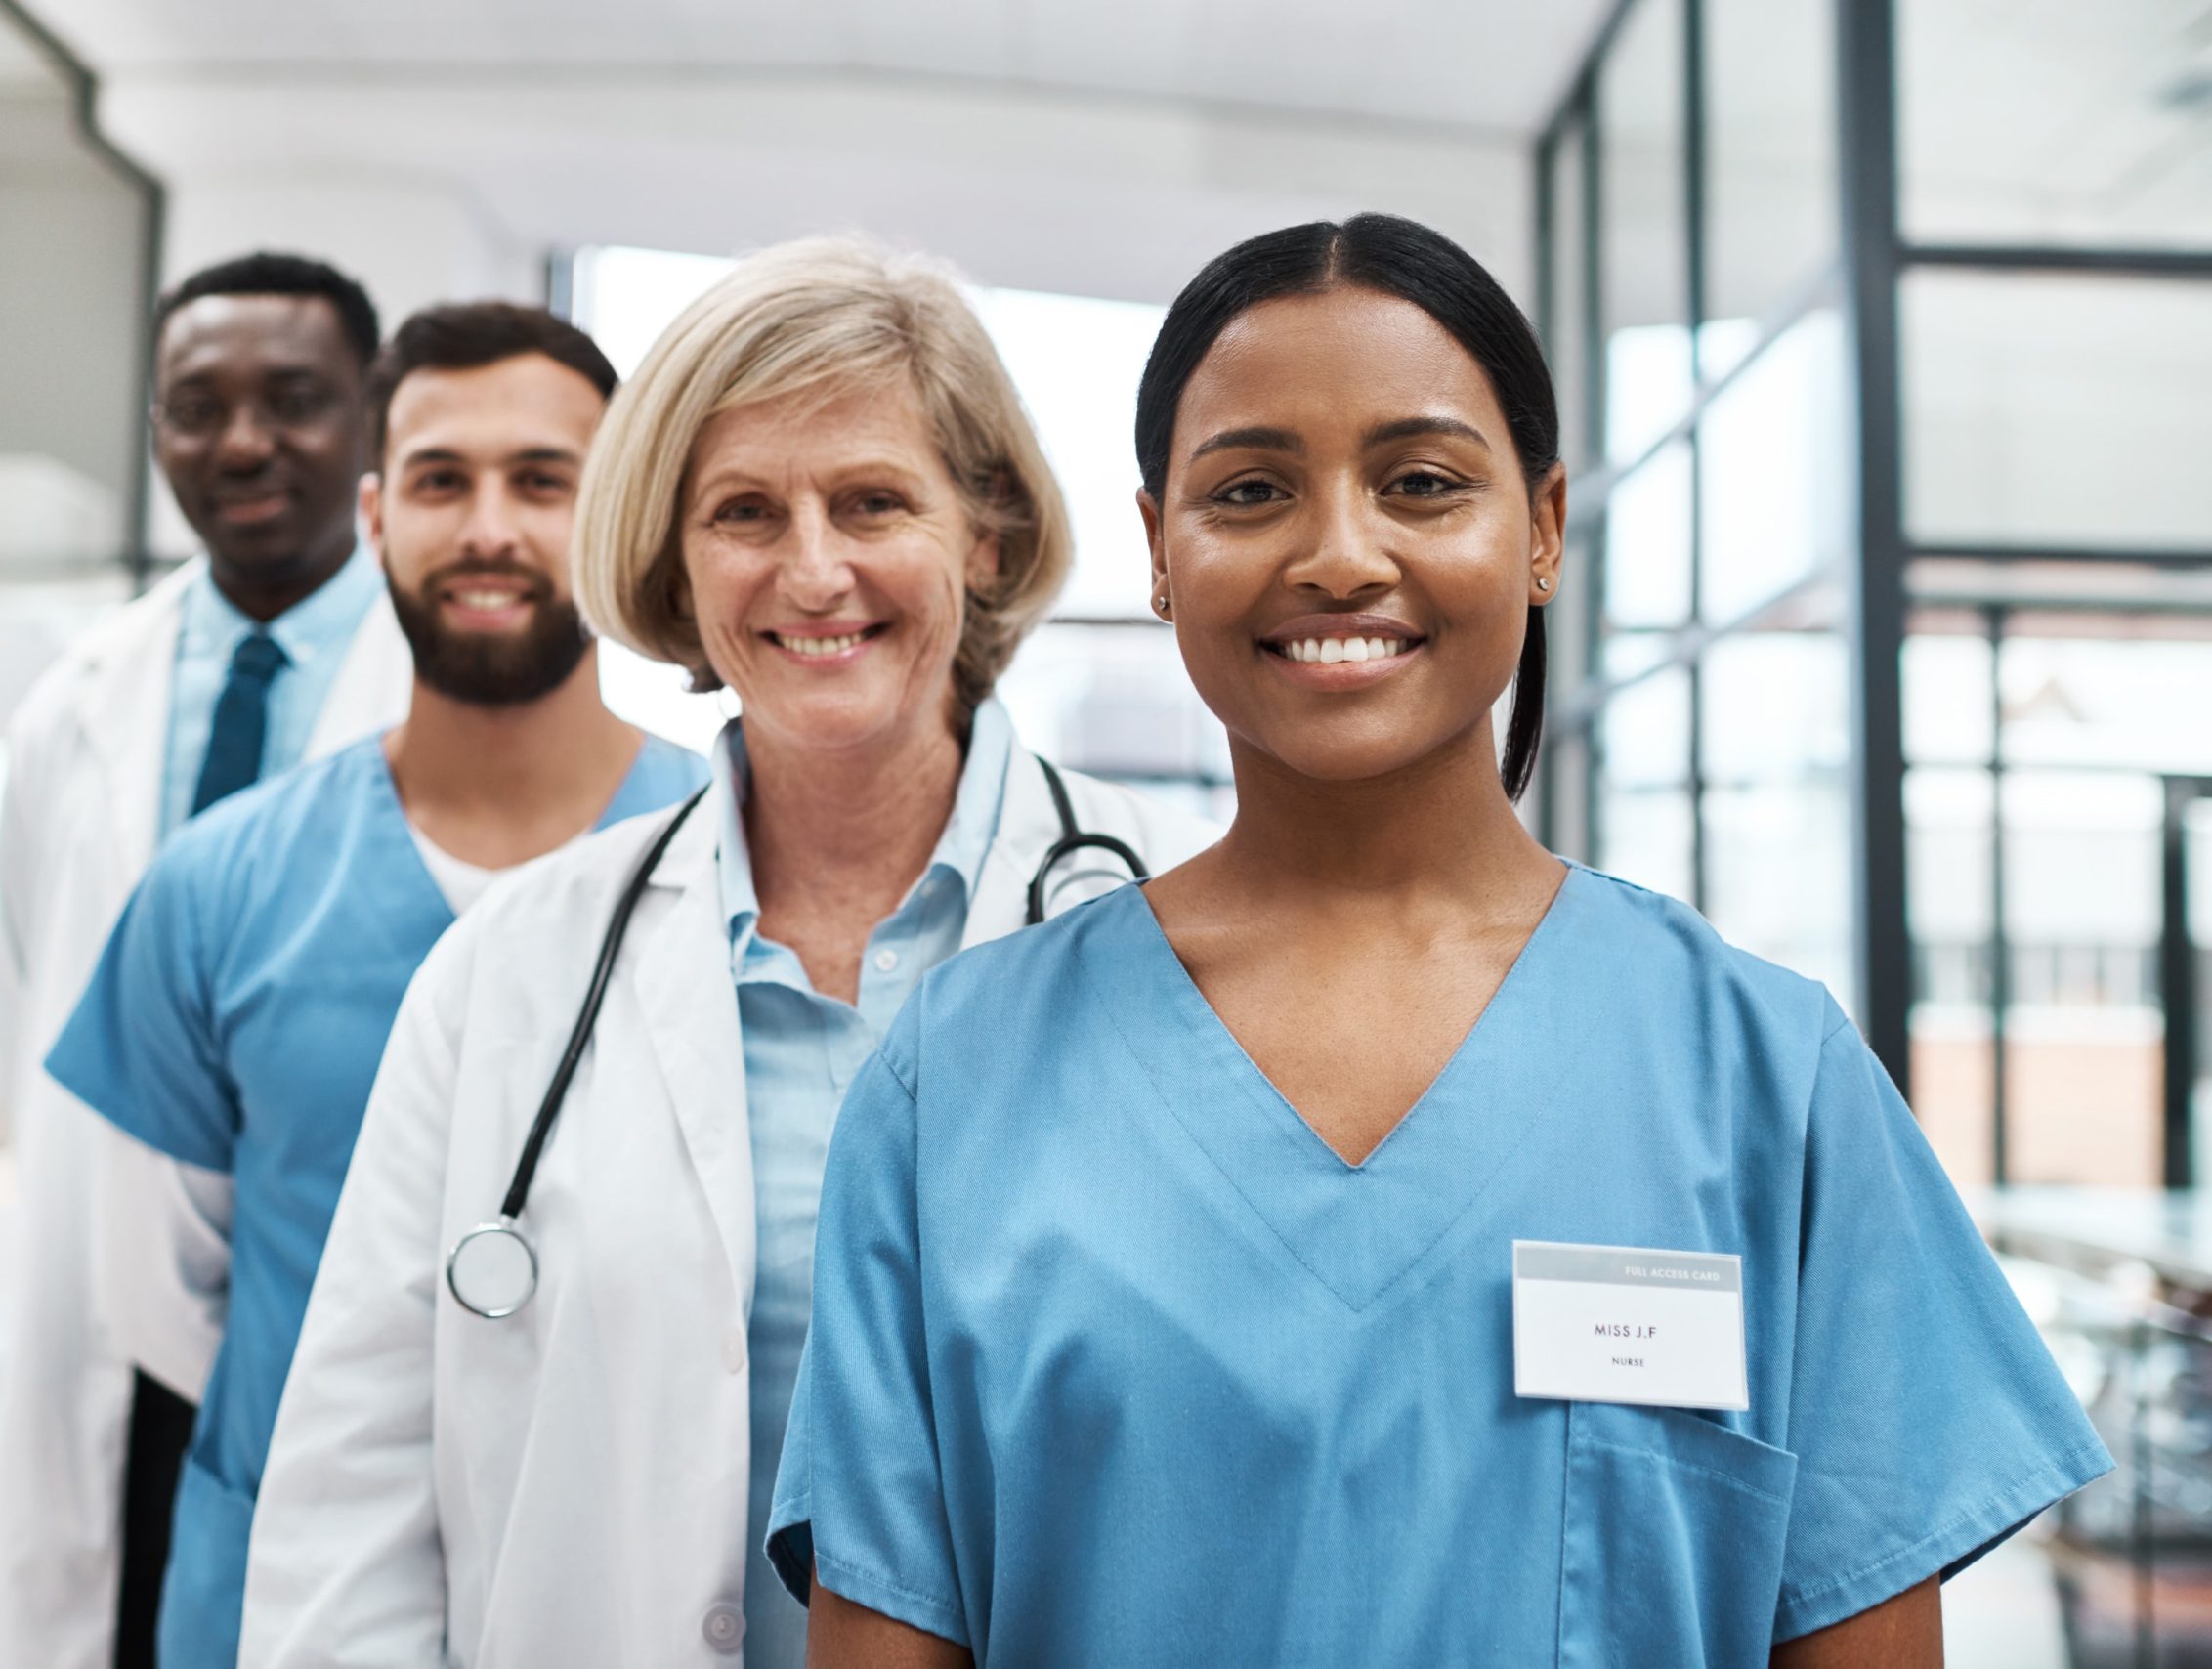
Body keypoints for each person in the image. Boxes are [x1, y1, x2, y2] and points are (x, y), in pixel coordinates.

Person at [770, 215, 2113, 1669]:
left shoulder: (1769, 1083)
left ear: (1541, 529)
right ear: (1159, 549)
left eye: (1420, 483)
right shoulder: (958, 1084)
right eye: (1252, 490)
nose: (1341, 556)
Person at [238, 235, 1216, 1669]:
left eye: (873, 501)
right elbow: (351, 1514)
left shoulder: (1191, 926)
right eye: (745, 512)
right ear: (676, 565)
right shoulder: (512, 970)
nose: (812, 571)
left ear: (988, 537)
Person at [42, 302, 707, 1669]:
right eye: (440, 480)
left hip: (622, 1593)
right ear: (375, 515)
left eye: (543, 481)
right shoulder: (217, 886)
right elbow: (160, 1295)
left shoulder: (729, 865)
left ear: (620, 514)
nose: (488, 530)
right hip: (283, 1591)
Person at [0, 251, 412, 1669]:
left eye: (293, 399)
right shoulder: (73, 707)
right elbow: (28, 1004)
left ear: (370, 422)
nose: (241, 443)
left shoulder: (449, 694)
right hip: (107, 1309)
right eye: (196, 406)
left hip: (334, 1297)